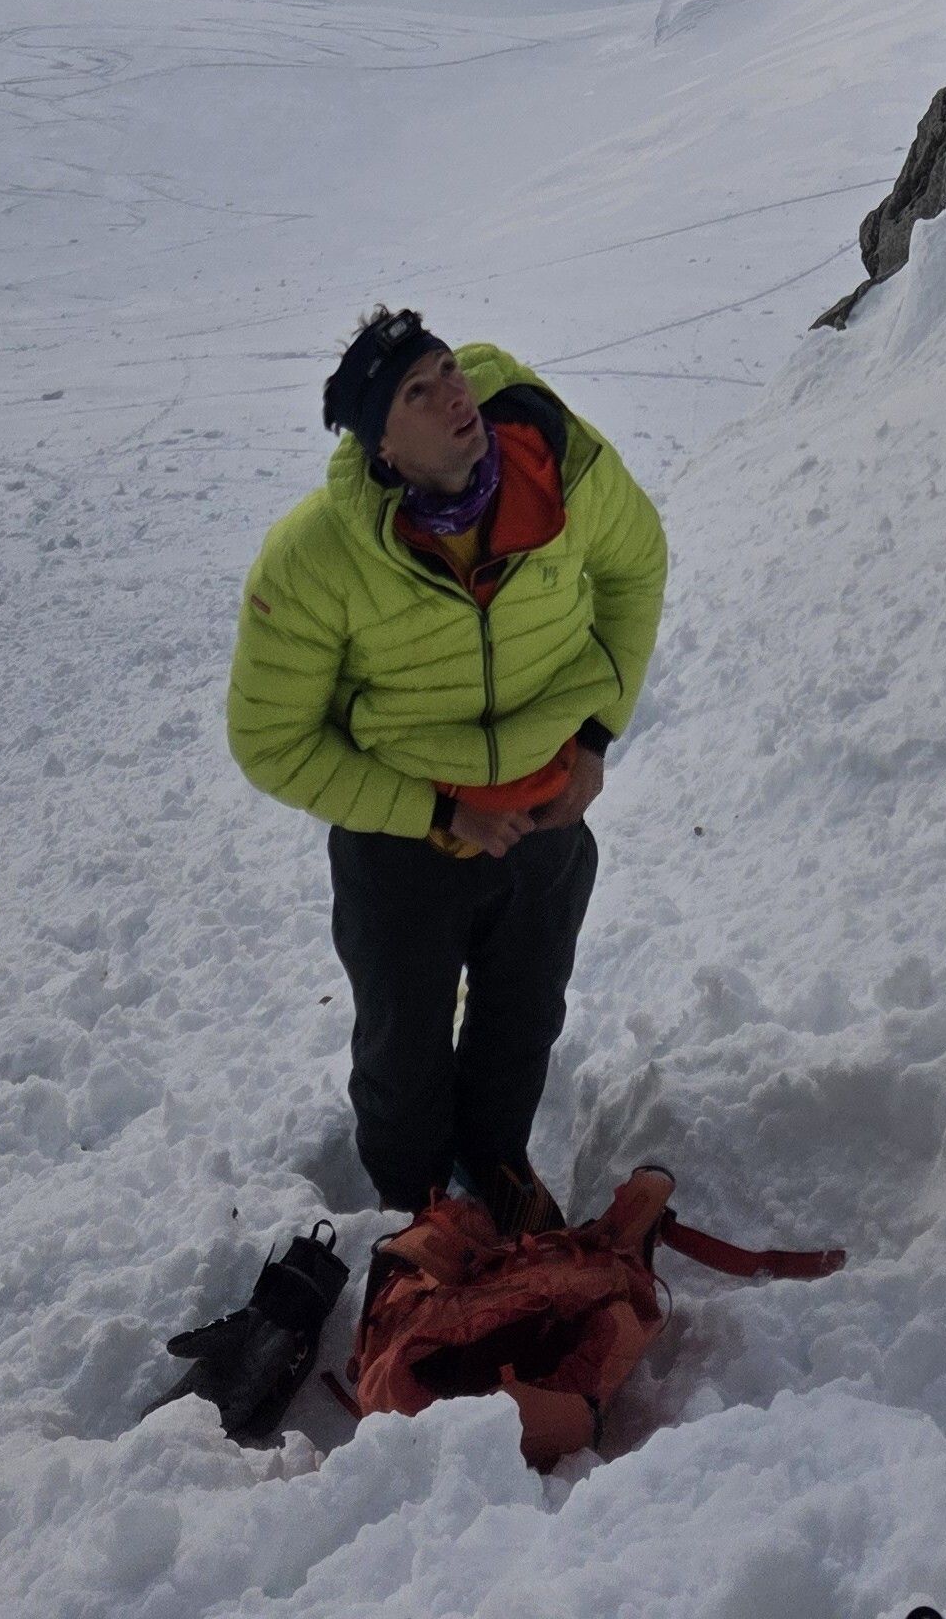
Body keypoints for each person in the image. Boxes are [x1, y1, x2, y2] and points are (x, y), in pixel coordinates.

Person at [228, 309, 667, 1230]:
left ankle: (498, 1157)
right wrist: (434, 811)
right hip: (402, 844)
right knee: (402, 1048)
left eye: (445, 371)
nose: (452, 397)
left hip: (547, 818)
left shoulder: (563, 466)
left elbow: (636, 567)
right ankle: (416, 1210)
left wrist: (593, 739)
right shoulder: (315, 559)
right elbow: (272, 739)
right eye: (417, 394)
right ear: (380, 445)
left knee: (523, 1013)